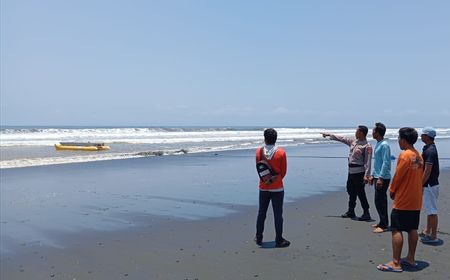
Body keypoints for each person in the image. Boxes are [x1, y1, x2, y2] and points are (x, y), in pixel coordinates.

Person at [377, 127, 423, 273]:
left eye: (398, 139)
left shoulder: (405, 155)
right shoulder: (418, 155)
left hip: (404, 199)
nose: (398, 141)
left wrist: (391, 190)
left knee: (396, 229)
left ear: (403, 140)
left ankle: (396, 263)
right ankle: (410, 258)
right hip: (416, 199)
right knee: (412, 228)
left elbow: (398, 176)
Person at [321, 126, 372, 221]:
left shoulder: (367, 146)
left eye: (357, 131)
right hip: (351, 172)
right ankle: (351, 211)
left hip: (359, 172)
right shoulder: (353, 142)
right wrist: (329, 135)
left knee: (361, 193)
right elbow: (342, 138)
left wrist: (367, 175)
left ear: (361, 133)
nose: (355, 133)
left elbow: (368, 162)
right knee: (350, 191)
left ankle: (366, 212)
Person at [255, 128, 290, 248]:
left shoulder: (258, 152)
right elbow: (283, 171)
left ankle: (259, 237)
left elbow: (259, 170)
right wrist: (276, 180)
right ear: (276, 139)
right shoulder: (281, 153)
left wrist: (267, 181)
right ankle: (279, 239)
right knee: (278, 214)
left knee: (261, 213)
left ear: (264, 138)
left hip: (263, 187)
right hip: (277, 188)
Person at [370, 123, 392, 233]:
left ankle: (384, 225)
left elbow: (386, 162)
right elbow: (377, 163)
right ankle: (382, 221)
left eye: (373, 131)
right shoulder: (379, 143)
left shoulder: (384, 145)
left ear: (378, 132)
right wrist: (373, 175)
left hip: (383, 177)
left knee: (381, 201)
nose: (372, 132)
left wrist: (381, 178)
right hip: (377, 176)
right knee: (377, 200)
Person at [420, 127, 440, 244]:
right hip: (431, 184)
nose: (421, 137)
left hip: (430, 185)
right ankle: (428, 230)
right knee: (429, 209)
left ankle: (433, 235)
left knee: (432, 210)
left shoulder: (430, 150)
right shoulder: (428, 148)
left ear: (427, 136)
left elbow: (427, 170)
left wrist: (420, 184)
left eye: (422, 135)